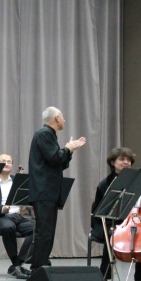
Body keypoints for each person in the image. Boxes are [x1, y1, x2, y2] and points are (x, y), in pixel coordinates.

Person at [28, 107, 86, 271]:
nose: (65, 120)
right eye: (63, 117)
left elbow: (58, 163)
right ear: (57, 118)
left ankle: (42, 263)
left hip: (48, 191)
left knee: (48, 231)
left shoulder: (49, 135)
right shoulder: (44, 134)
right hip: (43, 191)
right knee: (44, 231)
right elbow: (55, 158)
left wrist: (69, 150)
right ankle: (38, 267)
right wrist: (68, 149)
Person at [90, 147, 141, 281]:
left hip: (132, 220)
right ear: (113, 162)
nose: (126, 162)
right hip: (107, 221)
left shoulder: (137, 180)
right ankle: (105, 275)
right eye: (122, 159)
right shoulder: (105, 184)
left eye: (128, 160)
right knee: (111, 234)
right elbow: (98, 211)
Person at [0, 154, 34, 279]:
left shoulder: (17, 180)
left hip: (18, 216)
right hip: (0, 217)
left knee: (38, 229)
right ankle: (16, 265)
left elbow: (27, 200)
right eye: (3, 161)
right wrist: (1, 208)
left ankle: (17, 264)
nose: (6, 164)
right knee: (8, 227)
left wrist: (25, 184)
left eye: (9, 162)